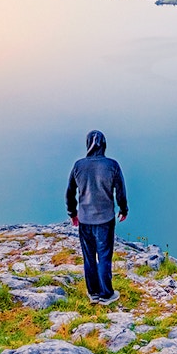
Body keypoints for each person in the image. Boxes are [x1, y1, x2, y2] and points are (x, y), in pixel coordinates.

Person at [66, 130, 128, 305]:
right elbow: (120, 191)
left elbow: (70, 192)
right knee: (104, 256)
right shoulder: (112, 165)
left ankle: (93, 293)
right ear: (104, 144)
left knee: (89, 257)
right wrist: (124, 209)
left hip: (85, 220)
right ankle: (106, 294)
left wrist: (73, 214)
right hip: (105, 220)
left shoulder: (78, 166)